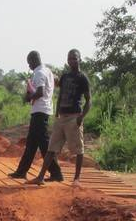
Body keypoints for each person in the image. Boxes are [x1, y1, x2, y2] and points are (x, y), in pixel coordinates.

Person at [28, 48, 91, 186]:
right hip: (61, 117)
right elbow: (61, 95)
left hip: (74, 117)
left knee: (78, 150)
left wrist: (81, 117)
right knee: (51, 148)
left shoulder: (82, 78)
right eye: (69, 58)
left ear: (79, 59)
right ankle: (40, 177)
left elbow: (88, 100)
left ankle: (76, 179)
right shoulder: (65, 77)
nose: (72, 61)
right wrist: (57, 114)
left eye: (74, 58)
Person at [9, 50, 63, 181]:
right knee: (32, 143)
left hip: (40, 111)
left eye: (29, 63)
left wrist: (28, 97)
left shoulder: (39, 73)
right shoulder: (48, 71)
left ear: (34, 60)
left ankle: (56, 173)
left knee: (44, 145)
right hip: (43, 110)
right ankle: (22, 171)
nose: (29, 66)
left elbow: (40, 92)